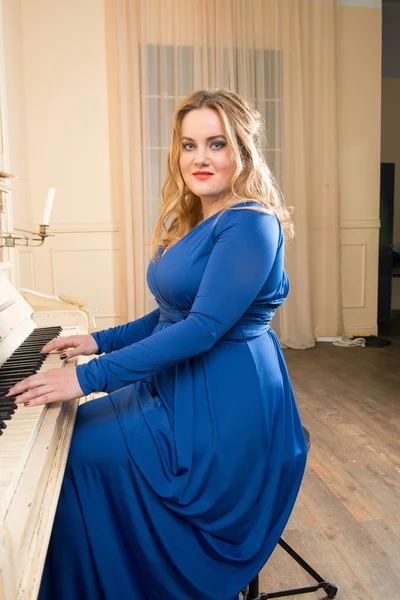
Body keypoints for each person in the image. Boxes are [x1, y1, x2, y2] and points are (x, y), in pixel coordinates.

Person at [8, 89, 307, 600]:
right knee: (71, 437)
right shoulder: (199, 217)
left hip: (224, 405)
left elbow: (201, 328)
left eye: (217, 143)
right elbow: (171, 314)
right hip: (179, 384)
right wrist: (96, 341)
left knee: (75, 458)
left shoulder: (250, 223)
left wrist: (83, 377)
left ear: (242, 150)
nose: (200, 158)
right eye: (189, 145)